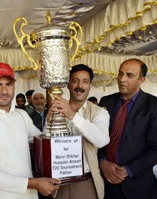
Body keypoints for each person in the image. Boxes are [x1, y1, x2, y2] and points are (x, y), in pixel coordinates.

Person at [0, 62, 60, 199]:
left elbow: (40, 140)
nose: (4, 91)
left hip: (30, 195)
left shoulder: (21, 115)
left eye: (9, 84)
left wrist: (52, 120)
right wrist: (33, 183)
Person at [98, 58, 157, 199]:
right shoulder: (106, 101)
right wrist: (103, 162)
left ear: (141, 79)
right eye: (120, 73)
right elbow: (98, 139)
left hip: (136, 186)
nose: (122, 79)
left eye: (129, 75)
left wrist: (127, 170)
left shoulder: (155, 105)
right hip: (104, 183)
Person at [51, 64, 110, 199]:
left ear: (90, 86)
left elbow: (102, 140)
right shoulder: (57, 109)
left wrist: (72, 115)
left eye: (85, 81)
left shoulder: (99, 112)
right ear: (68, 84)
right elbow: (49, 142)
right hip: (59, 182)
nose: (80, 85)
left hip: (85, 182)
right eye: (75, 80)